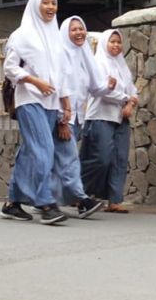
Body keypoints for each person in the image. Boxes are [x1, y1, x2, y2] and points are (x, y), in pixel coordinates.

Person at [1, 0, 71, 225]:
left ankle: (13, 203)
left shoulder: (56, 37)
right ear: (34, 5)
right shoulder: (22, 35)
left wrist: (65, 106)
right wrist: (35, 81)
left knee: (31, 152)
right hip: (29, 99)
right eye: (45, 3)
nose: (51, 7)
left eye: (54, 3)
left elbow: (62, 74)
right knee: (44, 148)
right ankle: (45, 203)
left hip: (51, 103)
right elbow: (10, 68)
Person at [48, 15, 113, 218]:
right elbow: (59, 87)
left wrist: (107, 86)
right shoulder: (60, 55)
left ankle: (43, 200)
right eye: (74, 29)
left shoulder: (84, 55)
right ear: (66, 33)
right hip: (63, 117)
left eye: (81, 29)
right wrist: (61, 120)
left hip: (77, 118)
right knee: (69, 158)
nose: (79, 33)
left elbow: (95, 87)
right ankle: (81, 200)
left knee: (58, 160)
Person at [79, 29, 138, 213]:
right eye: (112, 41)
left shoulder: (122, 66)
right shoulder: (98, 63)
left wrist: (131, 102)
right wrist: (126, 99)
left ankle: (114, 200)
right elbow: (102, 91)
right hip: (100, 117)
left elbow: (133, 89)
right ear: (105, 43)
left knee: (119, 159)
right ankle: (78, 191)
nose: (116, 45)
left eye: (119, 42)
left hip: (121, 118)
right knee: (101, 159)